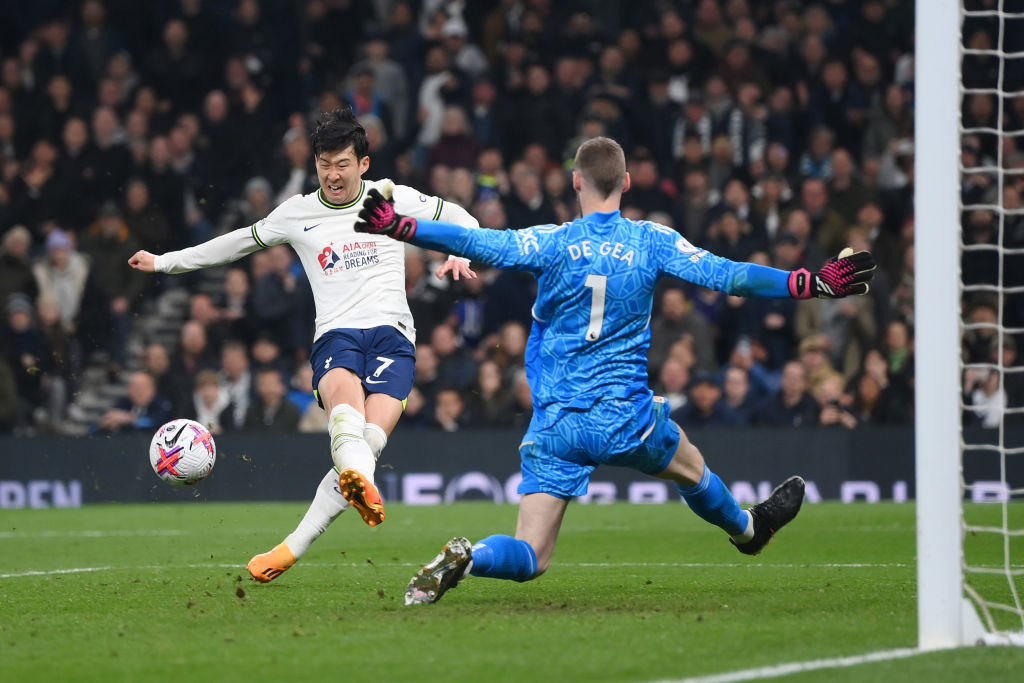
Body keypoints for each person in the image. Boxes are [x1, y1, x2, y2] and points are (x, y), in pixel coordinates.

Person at [353, 136, 875, 605]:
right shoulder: (652, 240)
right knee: (691, 468)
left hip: (557, 423)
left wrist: (402, 226)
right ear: (625, 182)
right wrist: (808, 283)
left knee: (531, 555)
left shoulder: (551, 242)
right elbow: (729, 276)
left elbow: (481, 242)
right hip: (628, 419)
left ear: (575, 181)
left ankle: (473, 557)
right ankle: (746, 530)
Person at [128, 107, 479, 583]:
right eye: (324, 164)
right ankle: (352, 489)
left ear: (363, 164)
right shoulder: (297, 213)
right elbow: (235, 243)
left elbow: (460, 215)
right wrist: (166, 262)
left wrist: (459, 249)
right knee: (345, 408)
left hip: (394, 336)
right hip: (337, 333)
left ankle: (294, 545)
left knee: (365, 446)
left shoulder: (390, 197)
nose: (332, 174)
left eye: (342, 163)